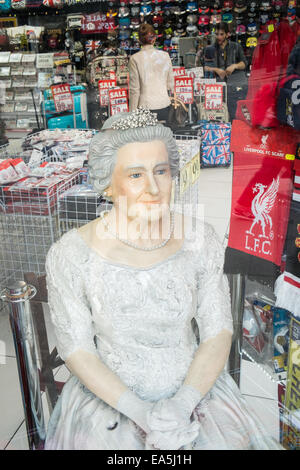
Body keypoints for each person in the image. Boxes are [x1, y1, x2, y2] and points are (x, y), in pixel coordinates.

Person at [44, 108, 282, 450]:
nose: (154, 188)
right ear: (108, 184)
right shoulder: (71, 254)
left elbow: (217, 330)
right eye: (136, 175)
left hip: (194, 388)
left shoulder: (201, 239)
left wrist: (185, 402)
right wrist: (138, 411)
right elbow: (78, 349)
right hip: (111, 398)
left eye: (161, 171)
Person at [128, 24, 174, 122]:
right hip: (164, 104)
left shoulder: (135, 59)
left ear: (139, 40)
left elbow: (134, 90)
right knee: (163, 135)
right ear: (154, 39)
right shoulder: (165, 56)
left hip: (145, 107)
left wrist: (132, 114)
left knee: (146, 136)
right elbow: (170, 84)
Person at [204, 22, 248, 120]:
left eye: (221, 34)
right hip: (217, 87)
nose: (218, 37)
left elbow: (244, 64)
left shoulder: (236, 46)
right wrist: (216, 69)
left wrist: (234, 66)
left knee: (234, 114)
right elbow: (205, 67)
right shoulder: (210, 49)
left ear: (227, 34)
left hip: (234, 85)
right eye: (217, 34)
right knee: (219, 114)